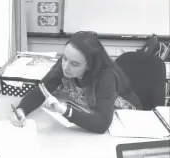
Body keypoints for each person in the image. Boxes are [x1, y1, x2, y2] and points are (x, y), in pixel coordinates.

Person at [11, 31, 142, 133]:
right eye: (64, 58)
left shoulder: (105, 77)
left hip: (124, 121)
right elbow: (42, 90)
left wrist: (64, 110)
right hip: (90, 115)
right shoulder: (66, 64)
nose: (65, 67)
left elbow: (102, 124)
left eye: (75, 64)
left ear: (89, 65)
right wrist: (21, 110)